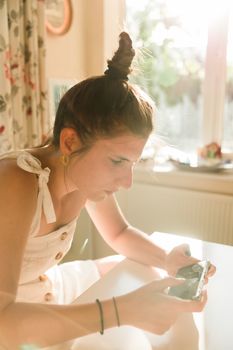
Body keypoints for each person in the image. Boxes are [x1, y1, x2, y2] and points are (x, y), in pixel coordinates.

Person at [0, 32, 215, 350]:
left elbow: (119, 232)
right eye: (117, 161)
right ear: (70, 141)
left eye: (132, 164)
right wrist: (121, 311)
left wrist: (167, 259)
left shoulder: (81, 175)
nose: (127, 181)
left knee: (149, 273)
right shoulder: (15, 183)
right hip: (19, 322)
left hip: (54, 288)